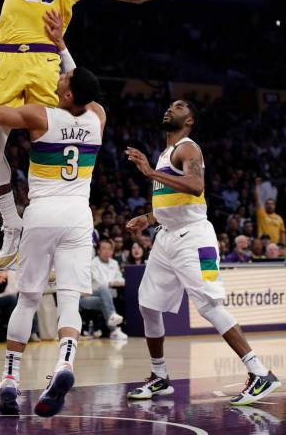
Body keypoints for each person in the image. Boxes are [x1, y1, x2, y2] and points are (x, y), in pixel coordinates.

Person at [0, 0, 219, 271]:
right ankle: (10, 224)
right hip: (4, 54)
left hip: (43, 57)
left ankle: (54, 226)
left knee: (57, 137)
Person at [0, 33, 104, 417]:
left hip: (42, 214)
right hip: (78, 215)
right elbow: (81, 83)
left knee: (27, 298)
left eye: (63, 79)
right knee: (70, 298)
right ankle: (64, 365)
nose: (58, 78)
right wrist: (60, 45)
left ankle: (9, 380)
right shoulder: (98, 118)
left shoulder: (40, 115)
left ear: (70, 94)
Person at [124, 100, 281, 405]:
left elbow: (196, 186)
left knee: (209, 305)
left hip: (196, 239)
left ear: (190, 120)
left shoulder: (188, 148)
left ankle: (260, 373)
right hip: (166, 238)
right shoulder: (165, 154)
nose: (170, 107)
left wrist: (149, 173)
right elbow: (173, 198)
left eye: (179, 105)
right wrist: (149, 217)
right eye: (169, 104)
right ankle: (159, 377)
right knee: (148, 304)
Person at [87, 240, 126, 340]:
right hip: (93, 293)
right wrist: (111, 283)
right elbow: (98, 282)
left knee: (104, 300)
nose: (106, 251)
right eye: (104, 248)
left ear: (112, 251)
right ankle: (113, 322)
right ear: (98, 251)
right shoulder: (92, 263)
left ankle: (114, 330)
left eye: (109, 249)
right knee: (104, 289)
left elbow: (121, 279)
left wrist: (113, 282)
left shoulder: (115, 263)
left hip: (107, 296)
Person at [254, 178, 285, 245]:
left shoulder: (279, 218)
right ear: (265, 206)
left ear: (274, 206)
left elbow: (282, 233)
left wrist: (283, 246)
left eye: (271, 204)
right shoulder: (261, 214)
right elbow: (257, 199)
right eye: (267, 204)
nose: (269, 206)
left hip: (275, 246)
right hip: (263, 245)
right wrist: (257, 186)